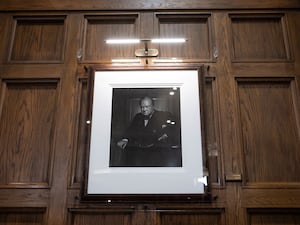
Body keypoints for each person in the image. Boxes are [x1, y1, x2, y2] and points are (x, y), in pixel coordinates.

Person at [114, 96, 182, 167]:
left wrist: (165, 134)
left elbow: (174, 128)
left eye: (147, 107)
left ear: (153, 106)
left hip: (157, 155)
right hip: (140, 154)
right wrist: (125, 139)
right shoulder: (138, 117)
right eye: (142, 107)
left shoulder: (164, 115)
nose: (144, 109)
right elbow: (130, 130)